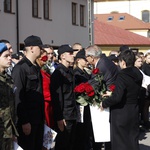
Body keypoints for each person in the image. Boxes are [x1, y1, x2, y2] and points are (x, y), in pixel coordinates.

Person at [100, 50, 143, 150]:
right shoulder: (138, 73)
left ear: (123, 62)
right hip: (133, 110)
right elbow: (130, 90)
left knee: (120, 142)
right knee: (132, 140)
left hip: (121, 113)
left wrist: (104, 103)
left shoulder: (122, 75)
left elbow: (117, 97)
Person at [11, 35, 45, 150]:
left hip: (38, 119)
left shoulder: (35, 67)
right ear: (31, 48)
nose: (42, 50)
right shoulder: (20, 68)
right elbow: (18, 97)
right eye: (39, 47)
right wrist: (24, 121)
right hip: (28, 120)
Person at [85, 45, 118, 150]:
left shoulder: (101, 65)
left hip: (107, 99)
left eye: (86, 57)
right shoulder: (104, 61)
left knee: (104, 132)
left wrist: (81, 89)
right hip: (110, 97)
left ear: (91, 57)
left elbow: (94, 84)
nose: (86, 59)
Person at [50, 44, 77, 150]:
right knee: (63, 144)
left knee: (71, 143)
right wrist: (59, 118)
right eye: (70, 53)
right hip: (65, 115)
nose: (73, 56)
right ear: (62, 56)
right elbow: (57, 98)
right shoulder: (58, 74)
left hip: (72, 113)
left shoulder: (70, 71)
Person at [73, 49, 93, 150]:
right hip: (80, 104)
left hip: (86, 103)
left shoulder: (85, 72)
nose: (86, 61)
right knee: (81, 129)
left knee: (86, 128)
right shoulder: (76, 73)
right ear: (78, 60)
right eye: (84, 59)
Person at [0, 43, 18, 150]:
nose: (10, 58)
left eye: (10, 56)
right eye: (6, 56)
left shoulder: (8, 78)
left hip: (9, 129)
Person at [36, 49, 54, 129]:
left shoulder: (45, 71)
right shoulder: (37, 72)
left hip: (49, 103)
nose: (45, 59)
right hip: (44, 103)